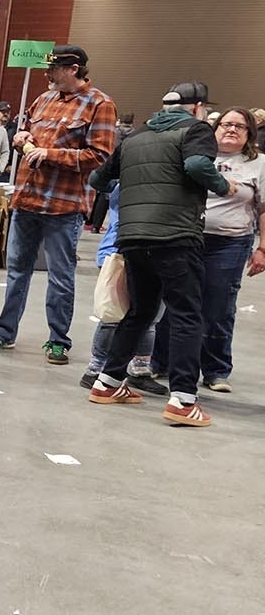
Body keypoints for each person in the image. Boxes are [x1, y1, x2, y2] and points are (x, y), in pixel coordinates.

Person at [87, 82, 231, 426]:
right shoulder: (196, 130)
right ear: (196, 108)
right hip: (175, 235)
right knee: (186, 314)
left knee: (139, 311)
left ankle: (107, 382)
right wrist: (225, 186)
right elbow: (197, 166)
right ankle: (182, 400)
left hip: (133, 238)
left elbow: (98, 180)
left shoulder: (135, 137)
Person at [0, 43, 116, 364]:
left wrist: (49, 155)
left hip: (64, 206)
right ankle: (5, 332)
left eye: (55, 68)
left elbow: (99, 155)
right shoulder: (43, 99)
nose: (48, 73)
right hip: (26, 200)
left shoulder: (100, 104)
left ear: (74, 69)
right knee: (17, 271)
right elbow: (26, 132)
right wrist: (21, 140)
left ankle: (58, 339)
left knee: (61, 276)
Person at [193, 108, 265, 392]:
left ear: (249, 134)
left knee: (218, 308)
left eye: (240, 126)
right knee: (178, 304)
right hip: (189, 239)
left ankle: (215, 370)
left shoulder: (258, 163)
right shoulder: (199, 158)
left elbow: (263, 208)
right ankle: (163, 362)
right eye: (226, 124)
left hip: (230, 243)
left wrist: (263, 248)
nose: (231, 130)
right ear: (215, 128)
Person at [78, 184, 166, 395]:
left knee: (151, 317)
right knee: (112, 315)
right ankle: (95, 369)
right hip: (119, 251)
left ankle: (140, 370)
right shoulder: (129, 174)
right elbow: (99, 180)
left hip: (158, 252)